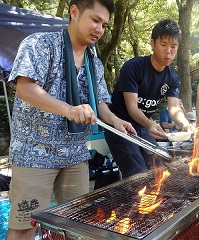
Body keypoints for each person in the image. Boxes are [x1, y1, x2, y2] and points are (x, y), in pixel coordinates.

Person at [5, 1, 136, 239]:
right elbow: (25, 88)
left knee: (77, 226)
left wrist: (116, 121)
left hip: (75, 154)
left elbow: (100, 105)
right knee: (24, 227)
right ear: (74, 12)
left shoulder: (93, 63)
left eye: (105, 25)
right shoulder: (40, 44)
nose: (100, 29)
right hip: (35, 152)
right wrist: (68, 109)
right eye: (95, 20)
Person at [104, 19, 193, 179]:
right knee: (137, 173)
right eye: (163, 44)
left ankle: (160, 204)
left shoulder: (172, 78)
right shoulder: (133, 67)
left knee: (160, 166)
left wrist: (185, 124)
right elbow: (132, 107)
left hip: (143, 127)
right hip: (120, 127)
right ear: (152, 43)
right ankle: (134, 203)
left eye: (173, 46)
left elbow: (174, 108)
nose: (168, 51)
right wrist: (150, 123)